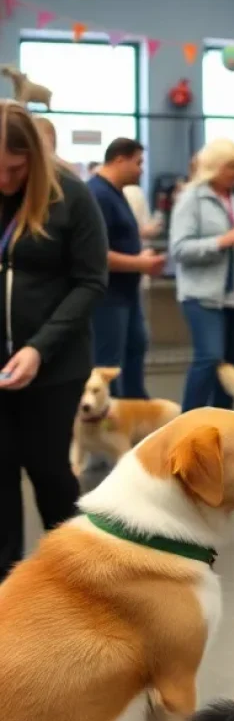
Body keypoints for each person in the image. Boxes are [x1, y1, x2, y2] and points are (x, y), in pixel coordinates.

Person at [0, 101, 108, 580]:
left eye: (15, 169)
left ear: (35, 161)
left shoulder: (72, 197)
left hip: (55, 368)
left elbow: (90, 282)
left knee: (49, 471)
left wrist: (39, 347)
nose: (4, 180)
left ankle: (78, 577)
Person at [169, 138, 234, 412]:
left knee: (231, 366)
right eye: (232, 167)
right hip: (203, 295)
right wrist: (221, 242)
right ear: (214, 168)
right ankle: (188, 422)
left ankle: (224, 422)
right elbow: (179, 248)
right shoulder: (191, 199)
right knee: (209, 357)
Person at [87, 138, 165, 399]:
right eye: (138, 162)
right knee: (109, 366)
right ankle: (110, 426)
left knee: (134, 352)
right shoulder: (98, 195)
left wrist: (139, 256)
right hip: (108, 297)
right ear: (119, 159)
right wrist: (140, 263)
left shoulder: (114, 193)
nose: (142, 170)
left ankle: (134, 418)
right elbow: (96, 253)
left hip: (125, 295)